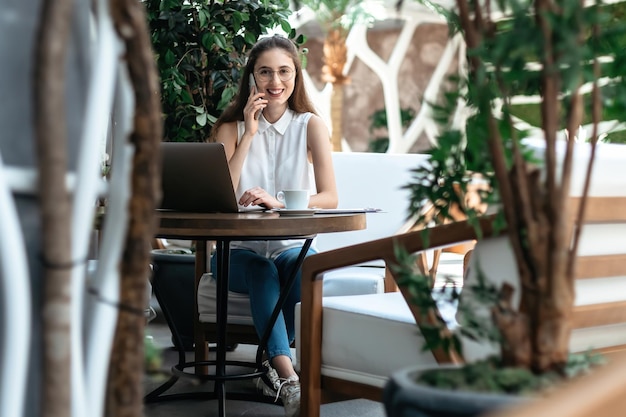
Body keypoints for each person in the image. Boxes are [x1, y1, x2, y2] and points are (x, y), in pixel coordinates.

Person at [207, 34, 338, 417]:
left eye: (284, 71)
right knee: (262, 270)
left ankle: (270, 364)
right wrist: (248, 134)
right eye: (265, 72)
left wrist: (279, 204)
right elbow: (223, 196)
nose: (274, 81)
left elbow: (329, 197)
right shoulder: (231, 128)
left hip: (290, 246)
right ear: (252, 78)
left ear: (296, 76)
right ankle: (289, 377)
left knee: (305, 269)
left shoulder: (311, 125)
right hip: (236, 253)